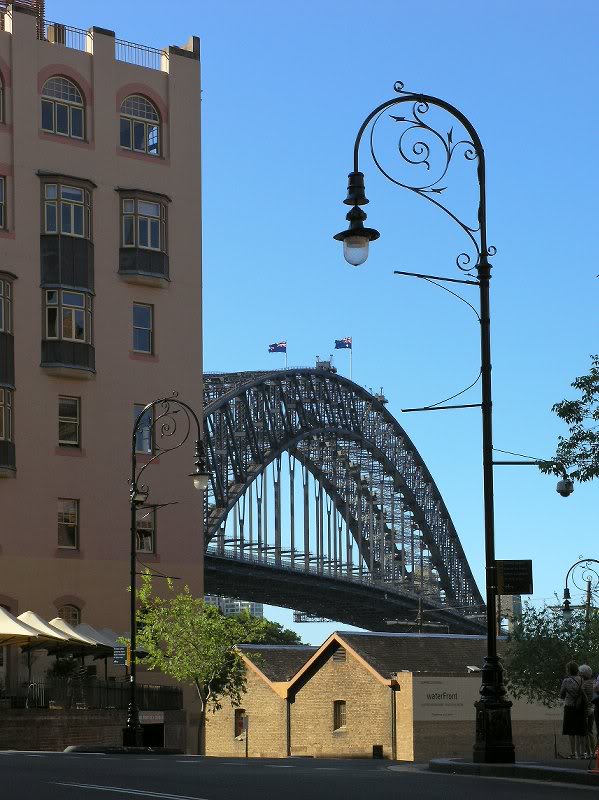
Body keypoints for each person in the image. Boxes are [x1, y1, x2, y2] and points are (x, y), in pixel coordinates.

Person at [560, 661, 587, 758]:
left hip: (569, 707)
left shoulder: (566, 681)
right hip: (580, 707)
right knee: (581, 730)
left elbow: (562, 695)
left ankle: (572, 753)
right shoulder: (581, 680)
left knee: (571, 731)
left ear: (569, 670)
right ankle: (582, 753)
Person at [579, 664, 595, 757]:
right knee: (590, 731)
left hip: (584, 709)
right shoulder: (593, 684)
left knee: (584, 732)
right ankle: (593, 752)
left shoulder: (583, 685)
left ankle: (587, 752)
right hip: (592, 709)